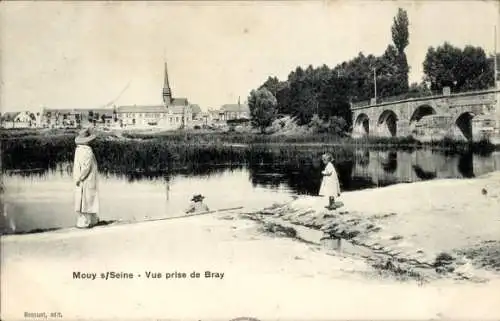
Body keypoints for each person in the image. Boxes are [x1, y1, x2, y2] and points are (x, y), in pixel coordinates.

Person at [73, 128, 100, 228]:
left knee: (83, 199)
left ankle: (88, 221)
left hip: (81, 178)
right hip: (86, 178)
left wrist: (78, 178)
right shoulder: (87, 151)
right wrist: (81, 177)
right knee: (87, 200)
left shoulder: (79, 150)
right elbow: (86, 167)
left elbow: (82, 167)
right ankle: (89, 221)